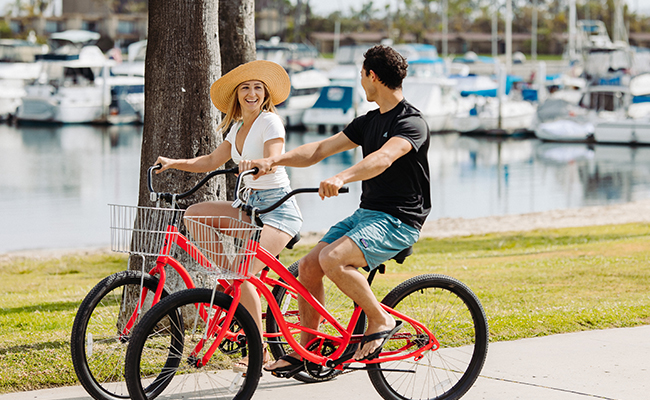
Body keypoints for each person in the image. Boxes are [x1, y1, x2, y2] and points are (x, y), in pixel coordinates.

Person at [251, 45, 431, 375]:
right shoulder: (368, 122)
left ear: (372, 76)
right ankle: (307, 350)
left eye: (362, 75)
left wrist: (342, 176)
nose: (361, 82)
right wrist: (273, 160)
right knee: (308, 266)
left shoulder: (412, 122)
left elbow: (383, 158)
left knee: (332, 259)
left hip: (399, 220)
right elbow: (319, 148)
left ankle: (379, 318)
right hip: (368, 214)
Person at [154, 60, 303, 371]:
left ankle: (259, 349)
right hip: (248, 207)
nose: (251, 93)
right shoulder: (236, 127)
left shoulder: (270, 123)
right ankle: (227, 278)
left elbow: (276, 155)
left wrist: (263, 163)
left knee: (245, 273)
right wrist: (174, 162)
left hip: (277, 210)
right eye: (246, 88)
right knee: (195, 215)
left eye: (257, 88)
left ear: (266, 95)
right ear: (237, 95)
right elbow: (210, 160)